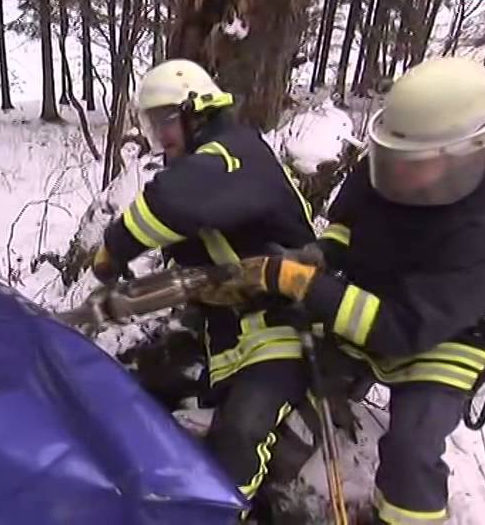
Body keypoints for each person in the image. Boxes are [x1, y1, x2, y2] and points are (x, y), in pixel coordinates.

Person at [228, 56, 485, 523]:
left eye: (416, 164)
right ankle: (273, 492)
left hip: (441, 336)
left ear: (467, 155)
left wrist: (309, 287)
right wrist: (323, 254)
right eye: (393, 157)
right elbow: (350, 227)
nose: (397, 173)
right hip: (366, 305)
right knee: (291, 389)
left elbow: (399, 329)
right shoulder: (392, 163)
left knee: (412, 449)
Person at [91, 59, 317, 507]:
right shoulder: (205, 169)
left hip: (284, 332)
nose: (160, 138)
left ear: (197, 112)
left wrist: (115, 246)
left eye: (164, 123)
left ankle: (229, 513)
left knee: (239, 437)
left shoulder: (236, 155)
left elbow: (172, 204)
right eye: (152, 125)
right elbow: (191, 274)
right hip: (228, 339)